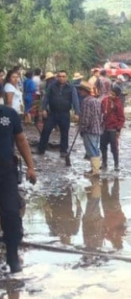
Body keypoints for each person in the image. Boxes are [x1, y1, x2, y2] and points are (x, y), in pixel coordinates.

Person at [0, 100, 37, 274]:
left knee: (11, 213)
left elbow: (21, 140)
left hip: (6, 171)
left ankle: (12, 257)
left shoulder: (9, 114)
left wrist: (30, 166)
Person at [38, 71, 80, 157]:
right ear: (57, 77)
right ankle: (41, 149)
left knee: (64, 132)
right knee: (46, 130)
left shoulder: (71, 87)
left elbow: (75, 100)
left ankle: (63, 150)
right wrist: (43, 109)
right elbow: (46, 97)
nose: (61, 78)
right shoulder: (52, 86)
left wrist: (77, 112)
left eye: (63, 76)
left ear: (66, 77)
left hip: (64, 113)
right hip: (52, 113)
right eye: (59, 76)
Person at [76, 82, 102, 176]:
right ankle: (95, 169)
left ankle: (95, 171)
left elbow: (86, 118)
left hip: (89, 130)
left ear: (85, 91)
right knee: (95, 148)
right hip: (97, 129)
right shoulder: (96, 100)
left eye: (80, 90)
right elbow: (100, 116)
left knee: (91, 150)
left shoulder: (86, 101)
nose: (79, 92)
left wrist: (82, 128)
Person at [100, 86, 125, 170]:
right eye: (110, 93)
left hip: (113, 129)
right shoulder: (104, 100)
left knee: (114, 147)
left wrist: (118, 129)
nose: (111, 95)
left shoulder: (118, 104)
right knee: (102, 146)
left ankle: (116, 165)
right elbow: (100, 111)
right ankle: (104, 163)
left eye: (113, 95)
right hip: (104, 127)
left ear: (117, 96)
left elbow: (121, 118)